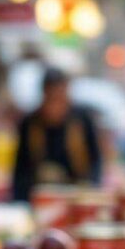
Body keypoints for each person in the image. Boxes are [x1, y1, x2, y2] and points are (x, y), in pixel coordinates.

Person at [11, 68, 102, 201]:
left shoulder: (81, 120)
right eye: (51, 98)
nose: (55, 106)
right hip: (41, 195)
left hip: (76, 195)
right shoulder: (30, 123)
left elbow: (95, 160)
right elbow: (20, 169)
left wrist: (91, 189)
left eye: (59, 98)